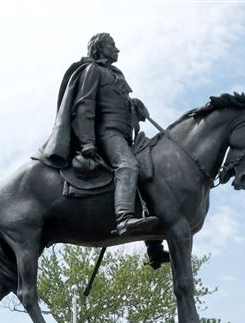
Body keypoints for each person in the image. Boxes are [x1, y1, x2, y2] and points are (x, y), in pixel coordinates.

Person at [39, 33, 162, 239]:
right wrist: (87, 141)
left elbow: (117, 106)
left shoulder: (116, 74)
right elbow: (84, 106)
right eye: (112, 45)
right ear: (99, 48)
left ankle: (153, 244)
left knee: (147, 171)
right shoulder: (92, 70)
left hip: (125, 135)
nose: (117, 49)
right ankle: (124, 219)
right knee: (128, 166)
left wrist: (134, 107)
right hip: (108, 133)